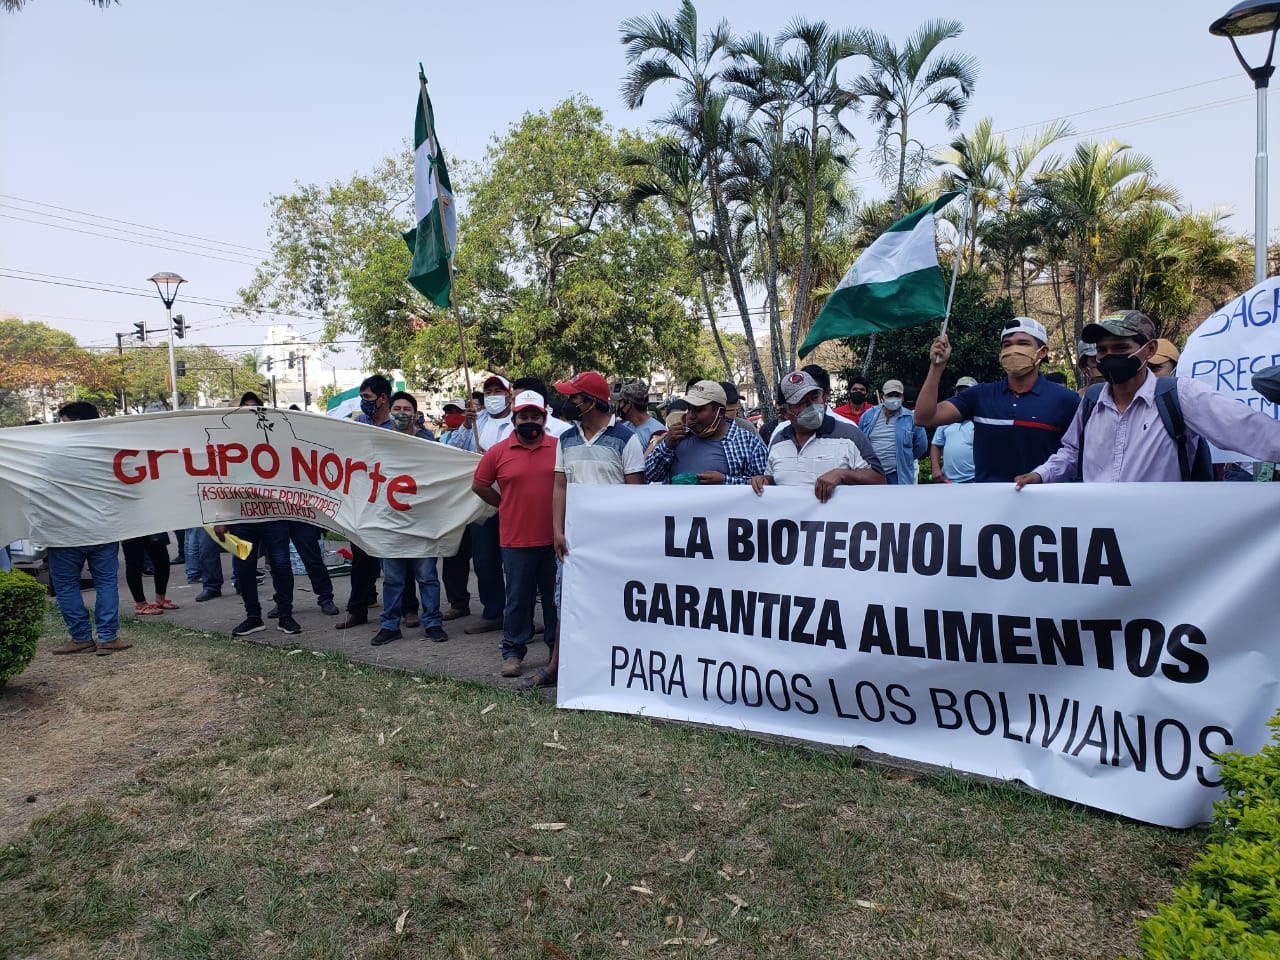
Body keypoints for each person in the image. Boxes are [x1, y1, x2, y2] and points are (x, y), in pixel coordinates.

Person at [1014, 311, 1280, 485]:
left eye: (1121, 348)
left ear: (1149, 349)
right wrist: (1042, 474)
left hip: (1159, 538)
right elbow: (1071, 453)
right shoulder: (1092, 402)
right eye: (1103, 350)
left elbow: (1249, 429)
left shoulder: (1180, 396)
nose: (1108, 357)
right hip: (1101, 535)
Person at [526, 371, 646, 688]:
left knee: (611, 604)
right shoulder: (566, 439)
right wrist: (557, 530)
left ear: (590, 402)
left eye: (574, 396)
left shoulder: (626, 439)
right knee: (566, 602)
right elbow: (560, 486)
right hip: (575, 541)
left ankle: (610, 669)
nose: (569, 401)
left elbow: (635, 494)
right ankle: (556, 666)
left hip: (613, 543)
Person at [914, 317, 1081, 483]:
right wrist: (936, 367)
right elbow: (924, 417)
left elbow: (1077, 454)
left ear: (1042, 352)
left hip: (1045, 502)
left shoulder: (1066, 399)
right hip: (990, 503)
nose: (1014, 349)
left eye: (1023, 343)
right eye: (1007, 345)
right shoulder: (980, 395)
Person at [471, 390, 559, 678]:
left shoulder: (560, 448)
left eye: (535, 416)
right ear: (514, 418)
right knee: (518, 600)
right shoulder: (498, 451)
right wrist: (504, 504)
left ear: (544, 419)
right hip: (516, 540)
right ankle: (512, 652)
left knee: (553, 601)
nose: (529, 421)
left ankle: (554, 652)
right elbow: (480, 485)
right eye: (524, 416)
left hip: (555, 540)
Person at [46, 401, 129, 656]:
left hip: (64, 531)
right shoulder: (107, 450)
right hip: (102, 527)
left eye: (64, 422)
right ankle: (107, 637)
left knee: (66, 585)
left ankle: (81, 637)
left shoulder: (50, 452)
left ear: (76, 421)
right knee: (105, 582)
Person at [751, 370, 885, 500]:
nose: (812, 406)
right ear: (784, 412)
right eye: (801, 402)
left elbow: (880, 480)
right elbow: (775, 478)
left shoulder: (849, 434)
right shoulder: (778, 440)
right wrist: (764, 481)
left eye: (815, 397)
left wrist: (843, 474)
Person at [335, 374, 395, 630]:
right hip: (363, 500)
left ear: (383, 399)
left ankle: (405, 608)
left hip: (392, 501)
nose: (364, 403)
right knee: (361, 557)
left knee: (396, 559)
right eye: (362, 398)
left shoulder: (399, 428)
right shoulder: (359, 424)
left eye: (367, 398)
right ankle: (357, 608)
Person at [644, 380, 768, 484]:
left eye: (698, 410)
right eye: (689, 409)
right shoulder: (677, 439)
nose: (691, 416)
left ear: (720, 413)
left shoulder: (748, 443)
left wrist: (724, 481)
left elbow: (763, 485)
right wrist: (667, 445)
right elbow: (650, 476)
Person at [855, 379, 927, 485]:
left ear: (902, 397)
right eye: (890, 395)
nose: (893, 398)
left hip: (898, 476)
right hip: (871, 474)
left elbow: (921, 446)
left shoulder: (911, 418)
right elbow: (859, 441)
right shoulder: (868, 415)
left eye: (897, 395)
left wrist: (905, 458)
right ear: (883, 396)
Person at [929, 377, 978, 484]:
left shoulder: (981, 418)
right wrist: (936, 468)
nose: (963, 394)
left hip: (975, 479)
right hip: (948, 481)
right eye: (959, 391)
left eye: (967, 391)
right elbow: (936, 445)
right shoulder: (946, 418)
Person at [122, 533, 175, 616]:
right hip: (130, 528)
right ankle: (141, 604)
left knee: (162, 560)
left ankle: (160, 599)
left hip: (150, 526)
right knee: (134, 562)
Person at [612, 378, 665, 449]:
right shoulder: (625, 426)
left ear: (629, 405)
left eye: (620, 402)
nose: (618, 406)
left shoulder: (657, 432)